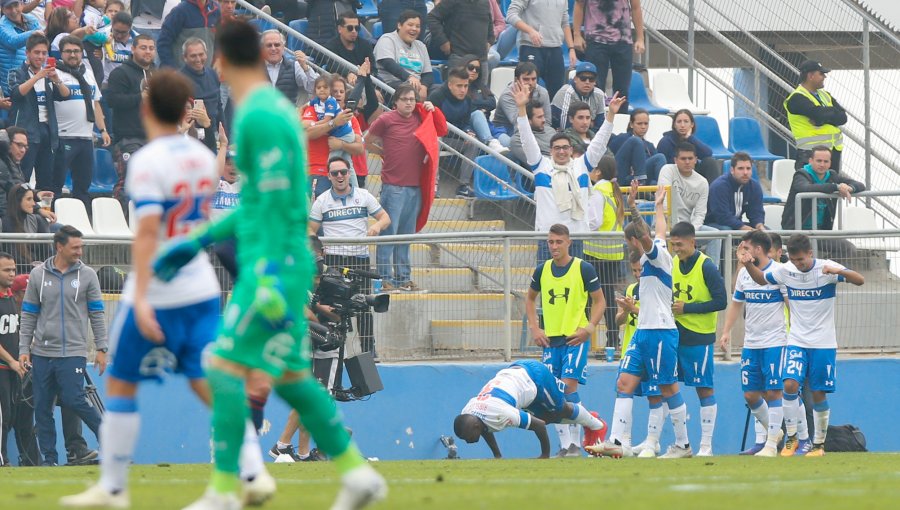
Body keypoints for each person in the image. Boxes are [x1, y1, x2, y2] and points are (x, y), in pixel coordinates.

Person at [152, 20, 387, 509]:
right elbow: (261, 198)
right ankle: (356, 474)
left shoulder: (258, 116)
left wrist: (198, 241)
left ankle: (224, 491)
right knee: (291, 376)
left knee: (221, 367)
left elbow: (269, 202)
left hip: (271, 264)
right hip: (279, 260)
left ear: (222, 61)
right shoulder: (268, 112)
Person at [59, 68, 273, 509]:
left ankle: (113, 487)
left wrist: (138, 298)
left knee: (120, 383)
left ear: (145, 108)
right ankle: (253, 469)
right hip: (200, 284)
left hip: (159, 286)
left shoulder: (147, 161)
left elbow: (149, 232)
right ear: (186, 110)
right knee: (207, 380)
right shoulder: (199, 156)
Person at [587, 180, 692, 459]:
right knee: (624, 383)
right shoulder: (655, 249)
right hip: (644, 332)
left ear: (633, 241)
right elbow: (658, 230)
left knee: (668, 386)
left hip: (660, 330)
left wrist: (633, 207)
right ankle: (618, 441)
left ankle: (682, 445)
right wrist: (657, 207)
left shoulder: (657, 258)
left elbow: (647, 236)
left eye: (628, 241)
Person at [740, 233, 865, 457]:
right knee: (788, 385)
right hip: (797, 340)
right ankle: (793, 438)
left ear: (810, 254)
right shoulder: (786, 270)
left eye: (802, 260)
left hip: (823, 343)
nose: (799, 264)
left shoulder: (826, 268)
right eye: (795, 260)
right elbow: (761, 279)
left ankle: (818, 444)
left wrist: (838, 272)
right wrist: (749, 264)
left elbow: (859, 279)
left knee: (818, 394)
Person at [17, 226, 106, 467]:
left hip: (73, 352)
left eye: (81, 246)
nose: (80, 251)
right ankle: (50, 461)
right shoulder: (38, 275)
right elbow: (29, 314)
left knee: (74, 399)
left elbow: (97, 313)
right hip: (42, 354)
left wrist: (102, 348)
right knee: (43, 407)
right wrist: (24, 348)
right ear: (59, 246)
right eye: (75, 247)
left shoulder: (88, 275)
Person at [515, 78, 624, 263]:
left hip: (575, 238)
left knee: (576, 289)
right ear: (551, 151)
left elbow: (599, 144)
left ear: (571, 150)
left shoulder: (581, 166)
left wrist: (610, 115)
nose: (562, 151)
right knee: (546, 287)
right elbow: (526, 139)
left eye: (565, 147)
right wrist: (521, 109)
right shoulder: (542, 166)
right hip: (547, 239)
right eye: (557, 148)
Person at [525, 224, 606, 457]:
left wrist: (589, 328)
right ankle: (565, 445)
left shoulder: (584, 268)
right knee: (552, 390)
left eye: (559, 241)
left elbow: (599, 301)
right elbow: (530, 299)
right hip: (550, 340)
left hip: (575, 338)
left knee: (568, 387)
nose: (554, 246)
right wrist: (535, 328)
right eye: (550, 242)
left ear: (569, 242)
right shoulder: (542, 270)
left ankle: (575, 443)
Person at [367, 83, 447, 292]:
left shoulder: (420, 117)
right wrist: (383, 153)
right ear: (396, 101)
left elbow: (442, 129)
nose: (410, 103)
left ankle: (403, 279)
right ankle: (385, 278)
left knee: (405, 236)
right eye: (405, 99)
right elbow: (367, 142)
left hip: (414, 187)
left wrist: (434, 109)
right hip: (393, 186)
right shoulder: (386, 119)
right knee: (389, 234)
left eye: (412, 99)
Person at [308, 156, 391, 354]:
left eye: (343, 172)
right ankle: (330, 348)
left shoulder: (363, 195)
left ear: (349, 173)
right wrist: (319, 248)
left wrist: (377, 227)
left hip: (359, 260)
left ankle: (369, 351)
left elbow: (385, 218)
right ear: (328, 176)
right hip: (334, 261)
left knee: (363, 306)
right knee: (330, 305)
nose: (339, 176)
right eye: (335, 173)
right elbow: (310, 230)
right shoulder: (322, 201)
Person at [719, 230, 786, 457]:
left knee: (774, 392)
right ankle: (776, 434)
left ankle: (770, 445)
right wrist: (726, 331)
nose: (743, 252)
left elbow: (790, 304)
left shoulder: (779, 272)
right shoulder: (744, 275)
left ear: (758, 249)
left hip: (775, 341)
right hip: (751, 343)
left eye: (746, 248)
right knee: (750, 394)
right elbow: (736, 304)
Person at [454, 359, 607, 458]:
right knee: (547, 419)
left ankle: (597, 425)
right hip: (517, 378)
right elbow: (485, 427)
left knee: (560, 411)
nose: (467, 441)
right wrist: (497, 456)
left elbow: (538, 426)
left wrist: (544, 455)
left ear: (474, 426)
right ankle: (588, 419)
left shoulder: (500, 412)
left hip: (534, 375)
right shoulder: (468, 412)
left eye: (467, 436)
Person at [669, 220, 727, 457]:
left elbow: (721, 301)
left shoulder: (707, 267)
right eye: (673, 245)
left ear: (693, 242)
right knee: (667, 387)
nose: (676, 249)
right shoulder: (673, 262)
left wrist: (688, 309)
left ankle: (706, 445)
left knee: (704, 389)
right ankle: (680, 443)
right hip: (675, 335)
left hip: (699, 337)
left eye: (680, 245)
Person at [51, 35, 111, 213]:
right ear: (61, 54)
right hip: (63, 137)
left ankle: (81, 224)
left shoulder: (88, 72)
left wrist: (103, 130)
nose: (72, 55)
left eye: (76, 51)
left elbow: (96, 103)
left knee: (83, 186)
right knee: (56, 185)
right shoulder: (55, 72)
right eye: (68, 51)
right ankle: (54, 223)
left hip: (86, 138)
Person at [780, 146, 865, 264]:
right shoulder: (801, 174)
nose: (822, 164)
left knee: (848, 249)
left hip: (820, 232)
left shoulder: (832, 176)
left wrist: (850, 188)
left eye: (826, 161)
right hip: (797, 233)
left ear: (830, 163)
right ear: (810, 161)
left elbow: (860, 185)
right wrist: (836, 187)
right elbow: (805, 188)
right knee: (804, 256)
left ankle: (824, 271)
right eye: (819, 161)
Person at [8, 32, 71, 189]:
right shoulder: (16, 72)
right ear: (27, 53)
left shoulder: (49, 75)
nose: (40, 57)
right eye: (37, 52)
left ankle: (42, 213)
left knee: (46, 182)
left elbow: (65, 95)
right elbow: (16, 94)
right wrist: (37, 77)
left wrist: (56, 80)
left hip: (48, 131)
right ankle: (17, 212)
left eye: (44, 53)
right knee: (21, 179)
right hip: (25, 132)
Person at [106, 33, 156, 207]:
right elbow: (112, 100)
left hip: (154, 139)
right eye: (143, 47)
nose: (147, 52)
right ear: (133, 49)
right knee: (127, 183)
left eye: (151, 48)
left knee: (152, 186)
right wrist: (140, 97)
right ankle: (118, 223)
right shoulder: (120, 73)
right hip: (129, 138)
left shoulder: (158, 73)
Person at [0, 254, 40, 466]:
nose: (11, 274)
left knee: (13, 417)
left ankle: (25, 459)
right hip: (3, 367)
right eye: (7, 270)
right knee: (3, 417)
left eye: (13, 270)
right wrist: (12, 361)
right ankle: (3, 459)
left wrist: (21, 358)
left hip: (13, 368)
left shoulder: (9, 298)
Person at [573, 0, 644, 114]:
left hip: (623, 41)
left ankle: (620, 123)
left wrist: (640, 38)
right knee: (595, 87)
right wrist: (577, 35)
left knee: (622, 89)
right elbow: (579, 5)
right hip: (595, 40)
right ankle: (595, 123)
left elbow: (636, 8)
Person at [657, 142, 721, 267]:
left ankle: (712, 272)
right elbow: (665, 205)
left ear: (696, 160)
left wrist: (690, 232)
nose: (687, 162)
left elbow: (700, 214)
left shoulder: (702, 182)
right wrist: (678, 230)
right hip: (665, 226)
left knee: (715, 235)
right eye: (683, 158)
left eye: (690, 158)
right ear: (675, 160)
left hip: (689, 229)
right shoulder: (667, 170)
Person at [584, 155, 625, 354]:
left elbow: (594, 222)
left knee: (587, 296)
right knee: (608, 298)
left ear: (598, 171)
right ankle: (612, 339)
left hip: (595, 253)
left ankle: (581, 336)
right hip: (613, 253)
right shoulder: (612, 190)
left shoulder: (598, 191)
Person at [426, 66, 483, 198]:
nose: (463, 90)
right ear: (450, 85)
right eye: (459, 86)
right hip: (435, 137)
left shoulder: (467, 100)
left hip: (452, 138)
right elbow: (429, 124)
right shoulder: (437, 96)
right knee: (436, 139)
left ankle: (463, 186)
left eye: (465, 86)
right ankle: (433, 184)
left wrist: (468, 132)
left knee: (474, 143)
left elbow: (465, 123)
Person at [784, 60, 846, 172]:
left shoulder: (825, 95)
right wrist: (828, 115)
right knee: (811, 188)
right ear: (811, 76)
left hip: (832, 153)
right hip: (810, 155)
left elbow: (842, 117)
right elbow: (819, 114)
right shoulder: (796, 98)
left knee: (831, 187)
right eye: (821, 74)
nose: (825, 77)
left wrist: (822, 119)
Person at [506, 0, 575, 98]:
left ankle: (553, 114)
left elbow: (565, 22)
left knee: (557, 94)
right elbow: (511, 15)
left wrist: (571, 48)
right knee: (527, 91)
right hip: (530, 47)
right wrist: (530, 31)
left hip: (555, 48)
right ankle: (523, 113)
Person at [374, 9, 432, 100]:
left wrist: (424, 87)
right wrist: (409, 77)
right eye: (410, 25)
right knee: (410, 90)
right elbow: (388, 63)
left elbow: (427, 73)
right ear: (399, 25)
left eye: (417, 26)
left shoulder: (421, 46)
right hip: (392, 83)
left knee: (441, 91)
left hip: (418, 85)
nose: (414, 29)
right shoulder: (387, 39)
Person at [705, 151, 766, 232]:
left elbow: (756, 213)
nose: (745, 172)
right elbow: (722, 217)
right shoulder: (719, 186)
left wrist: (759, 226)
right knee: (727, 230)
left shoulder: (754, 186)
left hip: (736, 224)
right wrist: (746, 229)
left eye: (748, 168)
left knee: (767, 232)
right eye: (740, 168)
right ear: (732, 170)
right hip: (714, 224)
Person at [656, 109, 719, 183]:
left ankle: (713, 192)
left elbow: (708, 153)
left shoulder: (692, 140)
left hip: (692, 174)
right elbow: (664, 168)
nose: (682, 125)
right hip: (675, 178)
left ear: (692, 124)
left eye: (686, 121)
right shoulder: (665, 142)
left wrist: (690, 138)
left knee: (710, 161)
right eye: (679, 122)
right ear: (674, 125)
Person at [179, 37, 220, 152]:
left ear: (206, 54)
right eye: (193, 56)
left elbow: (219, 106)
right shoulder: (177, 80)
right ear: (184, 58)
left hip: (212, 132)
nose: (198, 59)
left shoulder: (212, 74)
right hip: (190, 136)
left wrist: (223, 132)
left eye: (201, 54)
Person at [426, 0, 492, 68]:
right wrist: (443, 41)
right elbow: (432, 17)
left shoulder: (485, 2)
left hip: (482, 59)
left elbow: (489, 24)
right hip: (458, 56)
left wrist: (490, 41)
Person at [2, 183, 53, 272]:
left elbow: (47, 253)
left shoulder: (39, 220)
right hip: (16, 273)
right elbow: (11, 255)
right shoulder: (4, 223)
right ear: (17, 201)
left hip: (40, 272)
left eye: (33, 199)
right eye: (29, 199)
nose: (34, 203)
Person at [309, 76, 357, 169]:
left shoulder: (348, 116)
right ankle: (354, 184)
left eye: (342, 92)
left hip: (328, 170)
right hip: (314, 168)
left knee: (334, 163)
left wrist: (342, 144)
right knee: (347, 165)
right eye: (335, 91)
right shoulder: (313, 107)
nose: (338, 95)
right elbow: (307, 133)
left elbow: (360, 147)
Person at [156, 0, 220, 69]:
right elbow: (163, 42)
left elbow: (218, 41)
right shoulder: (180, 11)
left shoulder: (216, 9)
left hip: (205, 73)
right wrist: (172, 68)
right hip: (182, 74)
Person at [261, 29, 318, 106]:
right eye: (269, 45)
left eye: (277, 45)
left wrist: (305, 67)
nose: (273, 48)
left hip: (287, 116)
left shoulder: (295, 66)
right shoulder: (253, 69)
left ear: (283, 47)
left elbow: (312, 88)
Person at [493, 60, 551, 136]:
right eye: (526, 79)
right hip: (506, 130)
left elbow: (547, 122)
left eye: (533, 79)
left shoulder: (542, 93)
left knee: (551, 132)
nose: (530, 83)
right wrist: (524, 101)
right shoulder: (507, 95)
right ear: (516, 80)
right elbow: (516, 123)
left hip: (535, 130)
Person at [609, 108, 665, 184]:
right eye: (639, 123)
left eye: (646, 123)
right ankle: (640, 181)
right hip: (623, 177)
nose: (643, 127)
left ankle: (662, 188)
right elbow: (610, 159)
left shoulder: (650, 146)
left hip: (640, 180)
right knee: (636, 140)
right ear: (631, 124)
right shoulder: (621, 138)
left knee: (660, 157)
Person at [462, 54, 507, 148]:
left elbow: (492, 103)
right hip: (468, 125)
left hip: (488, 125)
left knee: (509, 143)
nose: (474, 71)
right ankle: (490, 142)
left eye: (477, 69)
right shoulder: (459, 87)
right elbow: (465, 105)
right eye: (471, 67)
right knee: (478, 113)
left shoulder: (481, 86)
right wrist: (479, 107)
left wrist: (475, 103)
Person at [0, 0, 42, 95]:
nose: (14, 10)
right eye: (9, 7)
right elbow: (13, 41)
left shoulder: (32, 20)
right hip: (12, 83)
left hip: (33, 77)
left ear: (22, 5)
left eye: (16, 5)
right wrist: (33, 33)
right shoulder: (1, 26)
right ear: (2, 10)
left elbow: (41, 47)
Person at [550, 61, 606, 130]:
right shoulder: (565, 92)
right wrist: (590, 124)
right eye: (583, 78)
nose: (587, 82)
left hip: (591, 135)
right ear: (575, 79)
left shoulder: (599, 94)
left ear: (595, 81)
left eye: (591, 79)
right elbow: (565, 128)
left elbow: (601, 126)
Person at [323, 11, 375, 85]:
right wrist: (348, 73)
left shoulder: (365, 45)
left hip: (365, 83)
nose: (354, 31)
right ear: (340, 29)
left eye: (357, 28)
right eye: (350, 28)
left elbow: (373, 69)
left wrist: (374, 89)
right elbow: (333, 65)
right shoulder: (331, 46)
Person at [100, 10, 138, 87]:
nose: (119, 36)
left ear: (130, 28)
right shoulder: (101, 35)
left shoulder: (138, 40)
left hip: (129, 84)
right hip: (106, 83)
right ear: (112, 24)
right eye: (116, 31)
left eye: (124, 32)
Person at [507, 99, 551, 165]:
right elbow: (538, 163)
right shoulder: (517, 140)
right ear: (528, 120)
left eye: (543, 116)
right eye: (539, 117)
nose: (544, 120)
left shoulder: (550, 130)